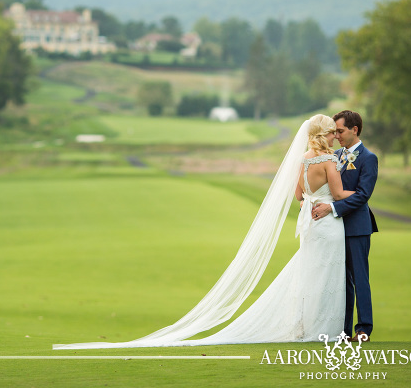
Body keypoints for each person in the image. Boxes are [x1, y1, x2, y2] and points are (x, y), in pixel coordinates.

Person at [54, 114, 358, 350]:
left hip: (309, 224)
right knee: (326, 275)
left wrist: (316, 201)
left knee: (309, 274)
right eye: (333, 132)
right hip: (327, 224)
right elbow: (338, 192)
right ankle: (326, 331)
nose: (335, 135)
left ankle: (307, 327)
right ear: (325, 135)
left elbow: (298, 196)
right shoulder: (329, 160)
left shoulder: (303, 160)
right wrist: (358, 193)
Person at [311, 110, 378, 342]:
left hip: (357, 227)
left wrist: (332, 208)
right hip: (334, 229)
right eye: (335, 132)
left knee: (359, 278)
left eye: (340, 131)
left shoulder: (369, 158)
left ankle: (363, 330)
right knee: (341, 282)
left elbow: (363, 196)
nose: (337, 135)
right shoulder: (334, 155)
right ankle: (343, 330)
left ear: (354, 130)